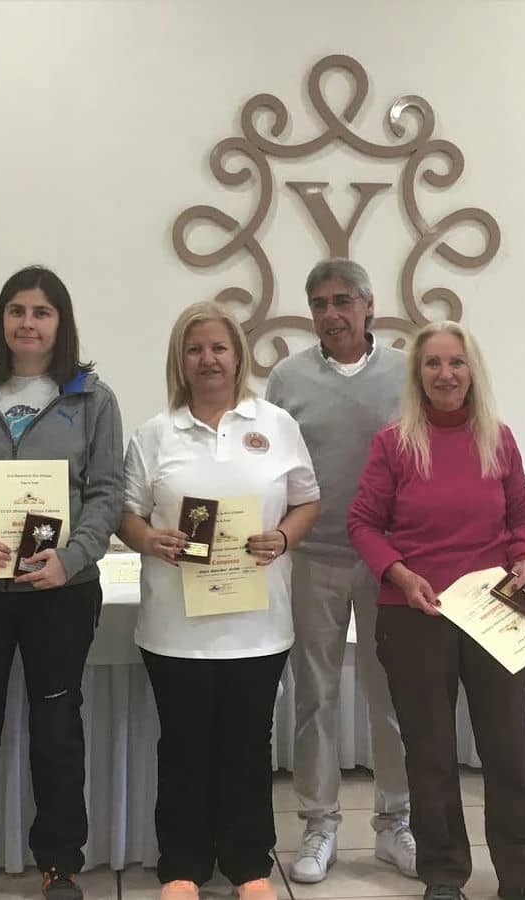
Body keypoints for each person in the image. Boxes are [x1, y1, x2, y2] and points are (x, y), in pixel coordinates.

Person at [0, 265, 123, 900]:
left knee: (58, 729)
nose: (27, 323)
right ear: (0, 321)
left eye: (41, 312)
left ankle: (60, 861)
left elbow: (108, 493)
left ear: (60, 323)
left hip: (58, 591)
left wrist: (75, 555)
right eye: (16, 311)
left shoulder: (93, 398)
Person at [118, 301, 320, 900]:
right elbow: (125, 515)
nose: (207, 359)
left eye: (218, 347)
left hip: (258, 627)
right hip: (174, 628)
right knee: (182, 747)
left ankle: (248, 865)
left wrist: (284, 536)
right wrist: (150, 539)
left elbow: (308, 500)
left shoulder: (277, 424)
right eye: (194, 348)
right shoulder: (154, 433)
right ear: (179, 360)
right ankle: (181, 866)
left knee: (247, 747)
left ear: (239, 356)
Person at [348, 321, 525, 900]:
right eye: (433, 363)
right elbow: (362, 523)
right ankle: (443, 874)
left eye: (457, 363)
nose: (446, 374)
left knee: (508, 750)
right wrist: (399, 572)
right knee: (431, 754)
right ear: (418, 374)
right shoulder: (394, 443)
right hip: (417, 612)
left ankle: (521, 876)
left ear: (473, 372)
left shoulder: (498, 438)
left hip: (497, 611)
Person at [265, 259, 414, 882]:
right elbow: (270, 468)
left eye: (343, 301)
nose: (331, 314)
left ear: (369, 305)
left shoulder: (408, 373)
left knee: (393, 697)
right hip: (313, 559)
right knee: (316, 697)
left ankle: (395, 824)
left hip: (388, 562)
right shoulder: (287, 378)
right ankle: (319, 825)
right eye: (319, 304)